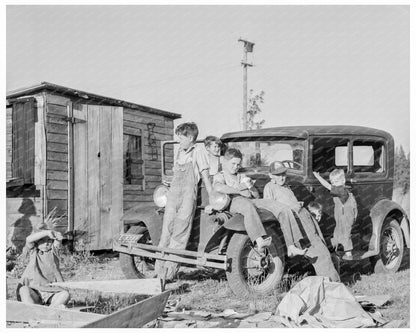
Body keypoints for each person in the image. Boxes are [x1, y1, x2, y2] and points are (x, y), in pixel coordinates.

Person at [155, 122, 213, 281]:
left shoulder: (199, 152)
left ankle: (168, 275)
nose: (179, 141)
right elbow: (174, 177)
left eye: (181, 138)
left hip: (188, 197)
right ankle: (157, 273)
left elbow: (206, 176)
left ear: (191, 137)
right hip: (173, 196)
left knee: (179, 235)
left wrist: (212, 197)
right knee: (166, 232)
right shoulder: (179, 152)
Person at [264, 161, 340, 282]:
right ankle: (332, 283)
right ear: (271, 175)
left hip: (305, 217)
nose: (282, 177)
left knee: (322, 248)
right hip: (296, 222)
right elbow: (271, 208)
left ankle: (330, 282)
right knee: (318, 251)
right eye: (278, 175)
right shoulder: (269, 187)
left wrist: (296, 204)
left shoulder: (285, 186)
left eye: (283, 174)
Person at [213, 148, 272, 252]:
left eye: (238, 164)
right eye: (233, 163)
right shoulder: (221, 175)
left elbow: (256, 196)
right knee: (247, 206)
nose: (236, 167)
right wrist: (239, 191)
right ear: (225, 162)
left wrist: (251, 188)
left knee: (267, 205)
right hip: (233, 202)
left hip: (248, 201)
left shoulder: (242, 176)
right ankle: (259, 239)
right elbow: (218, 187)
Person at [16, 224, 70, 307]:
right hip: (35, 292)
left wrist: (57, 235)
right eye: (42, 241)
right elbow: (29, 239)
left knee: (65, 294)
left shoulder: (54, 251)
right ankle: (33, 312)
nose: (46, 243)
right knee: (23, 290)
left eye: (49, 240)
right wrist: (47, 232)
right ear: (37, 243)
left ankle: (49, 311)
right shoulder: (34, 252)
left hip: (52, 293)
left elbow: (58, 241)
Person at [313, 169, 357, 258]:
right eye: (333, 182)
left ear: (343, 181)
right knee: (337, 233)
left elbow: (327, 186)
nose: (334, 184)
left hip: (346, 217)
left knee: (345, 234)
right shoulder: (342, 189)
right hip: (341, 216)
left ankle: (349, 254)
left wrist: (318, 177)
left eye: (336, 181)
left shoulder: (341, 190)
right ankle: (335, 250)